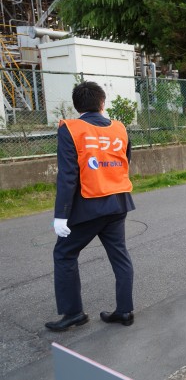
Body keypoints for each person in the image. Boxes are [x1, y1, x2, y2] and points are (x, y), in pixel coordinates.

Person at [45, 81, 136, 332]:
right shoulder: (119, 128)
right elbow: (124, 160)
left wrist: (61, 215)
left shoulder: (72, 129)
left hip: (88, 206)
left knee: (64, 254)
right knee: (120, 255)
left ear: (77, 107)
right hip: (118, 202)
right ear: (102, 103)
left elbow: (67, 175)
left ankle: (73, 313)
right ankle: (125, 310)